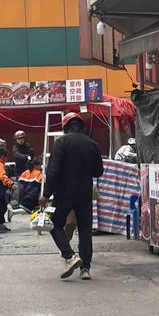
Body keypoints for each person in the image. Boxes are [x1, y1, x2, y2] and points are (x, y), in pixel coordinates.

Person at [45, 112, 103, 281]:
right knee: (85, 230)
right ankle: (85, 269)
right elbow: (99, 171)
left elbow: (53, 171)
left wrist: (46, 194)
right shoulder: (92, 144)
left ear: (65, 127)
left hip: (64, 193)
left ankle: (70, 256)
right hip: (85, 193)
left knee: (54, 224)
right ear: (81, 126)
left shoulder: (61, 142)